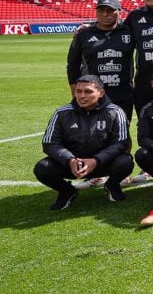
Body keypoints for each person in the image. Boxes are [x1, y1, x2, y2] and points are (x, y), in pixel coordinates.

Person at [35, 75, 132, 210]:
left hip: (103, 164)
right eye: (78, 91)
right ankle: (67, 191)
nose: (82, 96)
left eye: (88, 91)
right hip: (73, 165)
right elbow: (50, 143)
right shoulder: (61, 113)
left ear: (101, 93)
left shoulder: (115, 111)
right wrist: (70, 160)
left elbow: (121, 142)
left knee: (125, 162)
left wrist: (96, 160)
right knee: (43, 168)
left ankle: (112, 185)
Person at [66, 0, 136, 120]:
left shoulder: (129, 31)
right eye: (101, 10)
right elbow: (72, 65)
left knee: (123, 130)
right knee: (92, 131)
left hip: (123, 93)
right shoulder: (83, 34)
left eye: (110, 10)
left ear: (119, 13)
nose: (105, 14)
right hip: (92, 93)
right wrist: (76, 92)